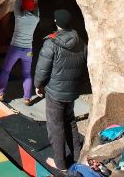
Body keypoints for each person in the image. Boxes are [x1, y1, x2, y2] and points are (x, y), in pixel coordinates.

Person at [34, 9, 88, 171]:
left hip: (55, 92)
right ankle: (77, 156)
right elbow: (85, 65)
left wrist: (38, 85)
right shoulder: (80, 40)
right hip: (71, 90)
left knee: (55, 126)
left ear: (56, 23)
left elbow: (42, 69)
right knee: (70, 121)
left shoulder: (51, 43)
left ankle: (60, 164)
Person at [0, 0, 40, 105]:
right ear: (33, 7)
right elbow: (37, 7)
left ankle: (1, 94)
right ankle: (27, 98)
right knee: (26, 73)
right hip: (28, 51)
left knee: (6, 71)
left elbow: (16, 3)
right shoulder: (36, 18)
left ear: (23, 6)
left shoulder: (19, 16)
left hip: (15, 48)